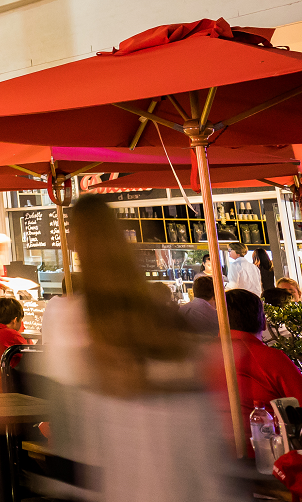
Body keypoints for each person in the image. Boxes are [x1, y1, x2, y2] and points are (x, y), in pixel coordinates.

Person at [39, 195, 234, 501]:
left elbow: (66, 430)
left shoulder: (72, 320)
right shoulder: (164, 319)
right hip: (183, 480)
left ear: (76, 243)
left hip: (120, 480)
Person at [207, 289, 302, 453]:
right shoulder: (270, 358)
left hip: (208, 455)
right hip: (263, 458)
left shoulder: (199, 355)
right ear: (263, 323)